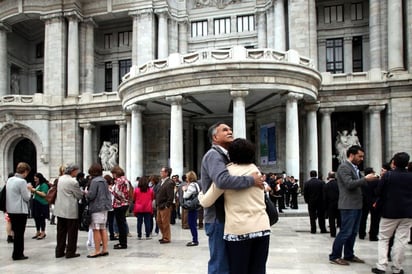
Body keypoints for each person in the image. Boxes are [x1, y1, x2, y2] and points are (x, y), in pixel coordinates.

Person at [199, 138, 270, 274]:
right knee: (258, 269)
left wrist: (199, 195)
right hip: (262, 227)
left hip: (239, 230)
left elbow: (206, 201)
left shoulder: (228, 173)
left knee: (238, 269)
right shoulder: (256, 171)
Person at [329, 145, 379, 265]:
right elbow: (349, 184)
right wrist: (366, 179)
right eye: (359, 156)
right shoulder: (344, 167)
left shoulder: (355, 167)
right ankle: (335, 256)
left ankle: (349, 254)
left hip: (357, 204)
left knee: (353, 232)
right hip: (348, 205)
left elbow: (359, 183)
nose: (361, 158)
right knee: (345, 231)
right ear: (352, 155)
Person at [371, 152, 412, 274]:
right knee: (402, 240)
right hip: (407, 213)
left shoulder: (388, 175)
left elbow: (378, 192)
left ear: (393, 162)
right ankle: (397, 267)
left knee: (384, 238)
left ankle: (381, 266)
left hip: (389, 212)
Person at [54, 164, 84, 259]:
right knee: (72, 232)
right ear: (73, 171)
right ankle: (70, 251)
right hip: (70, 210)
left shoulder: (60, 179)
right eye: (76, 171)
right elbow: (79, 195)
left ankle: (59, 251)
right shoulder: (73, 181)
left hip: (60, 208)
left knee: (61, 231)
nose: (77, 173)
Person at [6, 162, 33, 260]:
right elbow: (26, 197)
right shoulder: (22, 182)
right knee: (19, 233)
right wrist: (29, 189)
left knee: (15, 231)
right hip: (20, 210)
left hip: (11, 209)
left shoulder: (10, 179)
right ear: (25, 172)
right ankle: (18, 254)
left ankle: (16, 253)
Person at [85, 163, 112, 258]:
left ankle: (97, 250)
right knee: (103, 228)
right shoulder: (104, 180)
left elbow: (91, 196)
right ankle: (104, 249)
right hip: (105, 207)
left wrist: (86, 193)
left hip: (96, 207)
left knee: (96, 229)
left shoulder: (95, 181)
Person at [110, 165, 131, 249]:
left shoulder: (119, 181)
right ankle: (122, 242)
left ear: (115, 173)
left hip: (119, 204)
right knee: (122, 223)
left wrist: (110, 189)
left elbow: (117, 192)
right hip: (125, 203)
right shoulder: (126, 180)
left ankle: (122, 243)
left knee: (120, 224)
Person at [359, 167, 380, 241]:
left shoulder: (362, 181)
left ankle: (361, 233)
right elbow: (378, 191)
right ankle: (373, 235)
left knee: (363, 218)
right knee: (375, 219)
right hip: (373, 201)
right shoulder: (376, 181)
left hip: (364, 201)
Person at [156, 166, 175, 244]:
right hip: (159, 205)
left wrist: (167, 205)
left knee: (165, 222)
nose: (160, 173)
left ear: (167, 173)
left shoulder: (169, 182)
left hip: (164, 205)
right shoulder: (161, 182)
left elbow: (171, 195)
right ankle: (164, 235)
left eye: (162, 171)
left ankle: (167, 238)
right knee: (159, 221)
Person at [182, 170, 200, 246]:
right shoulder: (196, 184)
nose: (186, 178)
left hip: (191, 206)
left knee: (191, 223)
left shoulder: (192, 185)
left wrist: (184, 190)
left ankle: (195, 240)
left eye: (187, 177)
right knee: (193, 223)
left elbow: (185, 196)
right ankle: (195, 239)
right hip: (195, 205)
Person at [30, 173, 50, 240]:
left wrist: (34, 190)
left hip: (42, 203)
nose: (35, 180)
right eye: (34, 179)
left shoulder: (44, 185)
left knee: (41, 218)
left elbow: (44, 194)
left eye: (36, 179)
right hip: (36, 203)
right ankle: (38, 231)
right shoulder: (37, 185)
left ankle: (43, 232)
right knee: (36, 218)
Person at [323, 171, 340, 237]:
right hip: (339, 204)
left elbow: (325, 197)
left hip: (330, 205)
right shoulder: (338, 185)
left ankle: (333, 233)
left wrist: (325, 207)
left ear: (329, 176)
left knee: (331, 219)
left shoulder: (326, 185)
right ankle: (341, 231)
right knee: (340, 218)